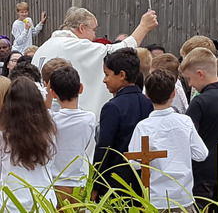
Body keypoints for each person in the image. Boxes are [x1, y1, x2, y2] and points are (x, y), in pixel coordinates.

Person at [32, 7, 158, 118]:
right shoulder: (73, 46)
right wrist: (143, 27)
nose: (94, 37)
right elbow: (115, 53)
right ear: (82, 28)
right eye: (93, 30)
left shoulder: (43, 47)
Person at [128, 68, 208, 212]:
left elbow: (134, 162)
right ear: (173, 93)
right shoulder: (185, 122)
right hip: (182, 196)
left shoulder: (143, 126)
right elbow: (201, 154)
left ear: (147, 95)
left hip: (155, 198)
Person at [92, 48, 153, 201]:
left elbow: (104, 148)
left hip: (115, 181)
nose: (104, 80)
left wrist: (95, 184)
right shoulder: (147, 103)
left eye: (107, 75)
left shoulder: (112, 107)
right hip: (143, 179)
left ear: (122, 75)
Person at [179, 47, 218, 212]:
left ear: (200, 74)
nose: (189, 84)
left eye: (189, 78)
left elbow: (185, 135)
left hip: (202, 174)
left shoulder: (199, 102)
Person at [0, 77, 57, 211]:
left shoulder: (3, 135)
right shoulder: (49, 131)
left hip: (11, 200)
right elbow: (52, 162)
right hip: (43, 199)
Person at [49, 66, 95, 206]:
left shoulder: (51, 119)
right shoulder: (90, 118)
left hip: (55, 184)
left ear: (53, 93)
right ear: (81, 88)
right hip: (79, 185)